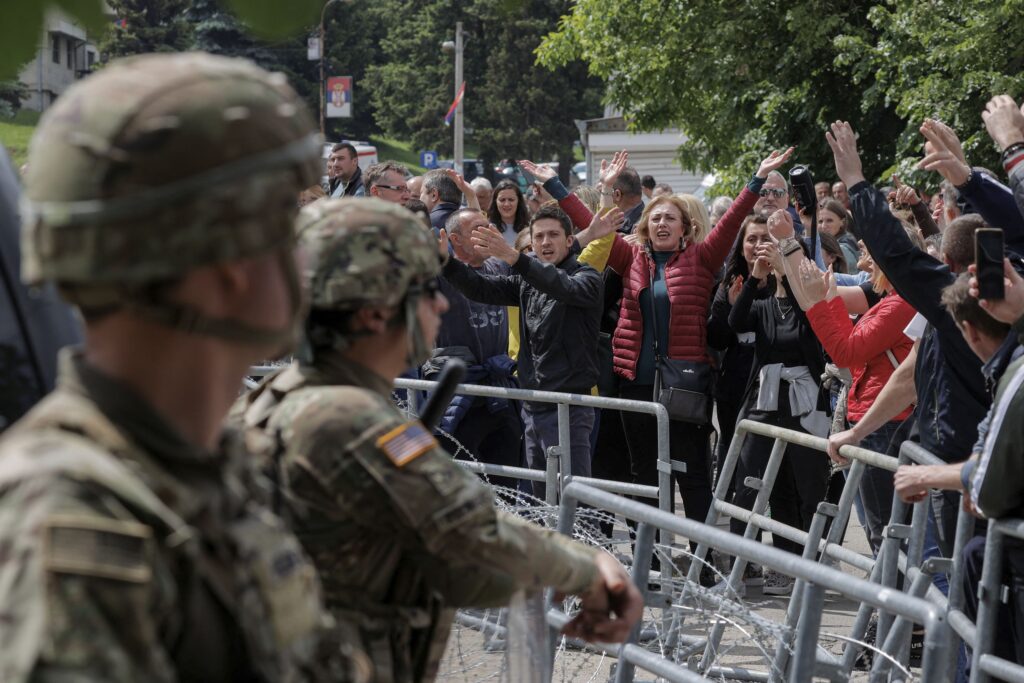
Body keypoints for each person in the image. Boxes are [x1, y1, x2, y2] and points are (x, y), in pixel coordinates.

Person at [0, 52, 341, 681]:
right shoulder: (71, 526)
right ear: (225, 266)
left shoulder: (203, 466)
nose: (308, 255)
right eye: (289, 225)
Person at [236, 198, 642, 683]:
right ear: (371, 314)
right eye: (422, 292)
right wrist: (590, 571)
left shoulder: (279, 398)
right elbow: (473, 537)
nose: (441, 305)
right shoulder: (351, 423)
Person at [601, 148, 794, 556]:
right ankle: (648, 563)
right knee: (643, 479)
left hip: (686, 386)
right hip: (635, 384)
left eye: (670, 217)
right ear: (645, 226)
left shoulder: (702, 259)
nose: (661, 223)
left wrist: (757, 179)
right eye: (655, 217)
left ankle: (701, 563)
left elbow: (729, 224)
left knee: (692, 477)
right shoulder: (630, 257)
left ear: (685, 227)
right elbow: (593, 228)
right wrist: (595, 189)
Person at [826, 120, 994, 563]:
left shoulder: (963, 299)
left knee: (954, 579)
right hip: (965, 464)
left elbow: (898, 257)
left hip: (967, 466)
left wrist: (856, 183)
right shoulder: (989, 290)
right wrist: (858, 431)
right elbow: (910, 375)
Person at [441, 205, 603, 499]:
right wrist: (447, 264)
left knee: (575, 502)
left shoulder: (586, 277)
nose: (545, 242)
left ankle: (581, 547)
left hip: (568, 406)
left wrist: (514, 258)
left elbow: (562, 287)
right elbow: (482, 288)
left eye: (553, 235)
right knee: (541, 499)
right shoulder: (527, 280)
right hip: (532, 404)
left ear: (570, 241)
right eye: (539, 236)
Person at [727, 210, 830, 596]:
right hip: (766, 403)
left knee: (807, 487)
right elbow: (735, 322)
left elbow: (816, 338)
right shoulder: (763, 303)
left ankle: (808, 567)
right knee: (748, 482)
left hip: (804, 404)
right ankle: (742, 562)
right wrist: (756, 277)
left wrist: (797, 277)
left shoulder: (811, 304)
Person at [797, 232, 917, 554]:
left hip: (886, 423)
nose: (863, 265)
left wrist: (821, 302)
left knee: (886, 533)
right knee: (880, 528)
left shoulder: (900, 304)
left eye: (869, 256)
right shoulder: (895, 300)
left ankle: (891, 600)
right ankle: (888, 596)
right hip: (879, 417)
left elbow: (845, 352)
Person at [429, 208, 521, 492]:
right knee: (460, 484)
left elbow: (546, 268)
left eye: (488, 226)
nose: (487, 233)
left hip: (499, 393)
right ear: (454, 238)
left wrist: (591, 233)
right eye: (477, 229)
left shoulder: (499, 267)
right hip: (459, 397)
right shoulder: (440, 272)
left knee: (506, 483)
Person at [817, 198, 860, 273]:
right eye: (820, 221)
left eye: (829, 220)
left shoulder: (842, 249)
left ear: (842, 222)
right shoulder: (847, 239)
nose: (824, 226)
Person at [488, 178, 530, 245]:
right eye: (502, 200)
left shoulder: (530, 228)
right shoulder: (487, 227)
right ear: (495, 202)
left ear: (518, 202)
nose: (506, 204)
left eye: (511, 199)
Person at [420, 168, 462, 233]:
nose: (419, 199)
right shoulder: (470, 222)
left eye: (421, 193)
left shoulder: (424, 224)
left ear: (434, 195)